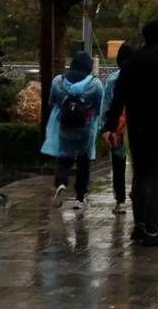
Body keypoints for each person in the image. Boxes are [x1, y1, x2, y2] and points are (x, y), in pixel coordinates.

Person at [103, 19, 158, 248]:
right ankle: (152, 229)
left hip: (139, 130)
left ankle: (139, 225)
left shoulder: (131, 64)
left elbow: (118, 97)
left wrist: (110, 126)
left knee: (140, 177)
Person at [42, 51, 104, 213]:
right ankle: (80, 198)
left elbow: (52, 101)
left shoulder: (59, 81)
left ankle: (61, 183)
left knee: (64, 157)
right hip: (86, 127)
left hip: (65, 125)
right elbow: (100, 106)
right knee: (84, 162)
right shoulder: (95, 84)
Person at [100, 43, 135, 215]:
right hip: (136, 127)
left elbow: (106, 105)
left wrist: (104, 128)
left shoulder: (113, 79)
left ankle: (120, 201)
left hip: (117, 127)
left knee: (118, 164)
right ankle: (138, 194)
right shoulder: (140, 78)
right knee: (138, 165)